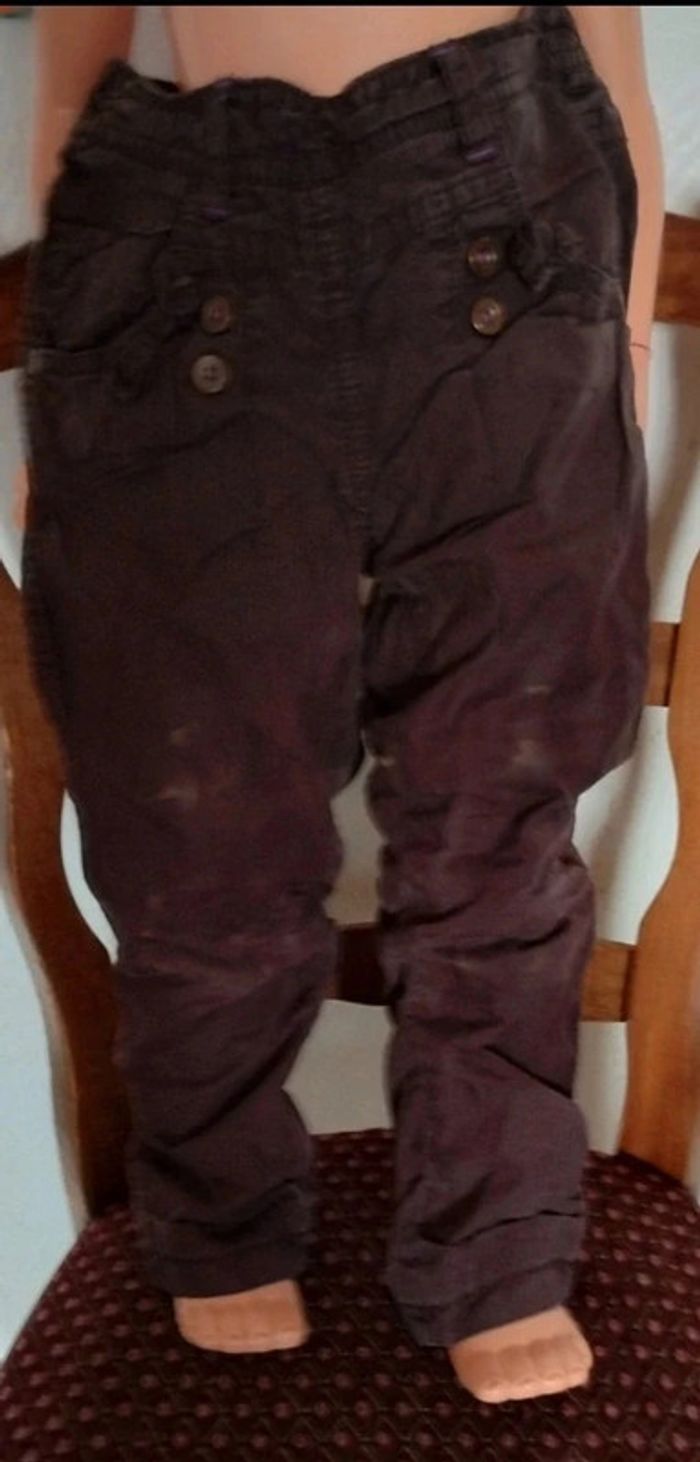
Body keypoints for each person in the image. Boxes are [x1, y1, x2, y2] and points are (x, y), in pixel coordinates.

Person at [16, 5, 664, 1405]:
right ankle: (220, 1219)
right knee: (197, 815)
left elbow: (607, 62)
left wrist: (621, 340)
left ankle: (498, 1246)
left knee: (501, 805)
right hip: (189, 257)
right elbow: (77, 75)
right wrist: (75, 388)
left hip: (508, 223)